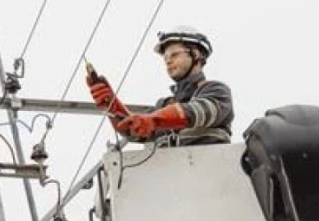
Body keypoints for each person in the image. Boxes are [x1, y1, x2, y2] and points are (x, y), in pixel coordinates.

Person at [88, 25, 234, 145]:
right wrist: (112, 106)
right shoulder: (164, 105)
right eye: (165, 58)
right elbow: (136, 132)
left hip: (210, 175)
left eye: (174, 54)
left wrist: (154, 120)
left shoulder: (216, 90)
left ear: (195, 54)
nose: (168, 61)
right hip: (168, 177)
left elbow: (195, 112)